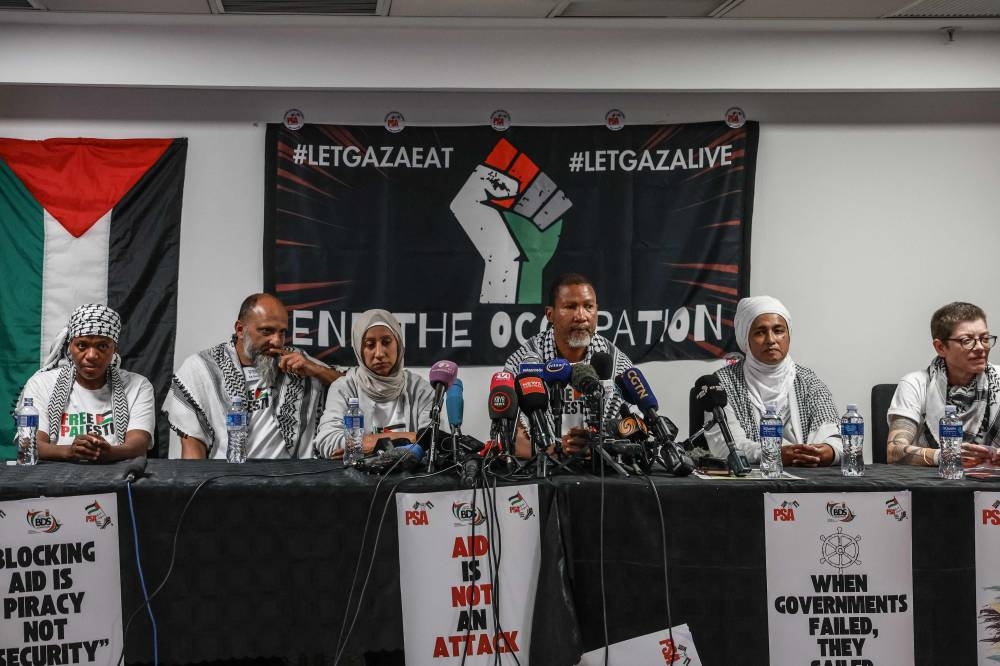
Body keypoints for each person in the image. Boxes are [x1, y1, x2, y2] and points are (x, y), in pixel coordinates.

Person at [164, 293, 340, 459]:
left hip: (292, 480)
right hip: (227, 479)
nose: (277, 341)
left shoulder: (296, 360)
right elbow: (193, 446)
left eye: (282, 332)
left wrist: (315, 369)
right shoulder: (202, 368)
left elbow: (350, 387)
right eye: (267, 331)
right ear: (240, 330)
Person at [705, 295, 843, 467]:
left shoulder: (808, 381)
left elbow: (836, 438)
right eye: (760, 332)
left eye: (778, 331)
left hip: (808, 482)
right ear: (745, 339)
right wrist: (773, 454)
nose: (771, 340)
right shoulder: (722, 383)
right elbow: (725, 446)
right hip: (750, 483)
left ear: (788, 335)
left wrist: (827, 451)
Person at [504, 273, 633, 455]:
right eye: (570, 307)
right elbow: (510, 438)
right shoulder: (524, 362)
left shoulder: (617, 363)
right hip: (544, 470)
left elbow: (633, 430)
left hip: (601, 470)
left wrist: (600, 445)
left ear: (597, 311)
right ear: (550, 314)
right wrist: (555, 451)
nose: (581, 316)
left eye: (588, 307)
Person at [17, 303, 155, 462]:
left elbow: (139, 444)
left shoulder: (138, 386)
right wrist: (70, 451)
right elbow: (29, 445)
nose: (91, 355)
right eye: (82, 345)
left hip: (118, 478)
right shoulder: (41, 384)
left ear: (114, 349)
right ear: (70, 346)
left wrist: (110, 453)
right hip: (54, 480)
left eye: (102, 346)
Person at [887, 301, 1000, 467]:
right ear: (940, 347)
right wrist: (947, 456)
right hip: (932, 486)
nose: (980, 348)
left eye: (984, 338)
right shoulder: (915, 384)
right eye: (967, 340)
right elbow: (894, 452)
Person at [313, 309, 434, 459]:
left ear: (398, 343)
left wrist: (365, 445)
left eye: (386, 342)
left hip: (408, 478)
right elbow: (327, 441)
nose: (379, 353)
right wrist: (410, 437)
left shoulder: (420, 390)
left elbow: (433, 442)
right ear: (359, 349)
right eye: (370, 345)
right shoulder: (344, 388)